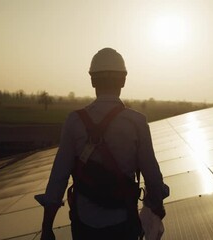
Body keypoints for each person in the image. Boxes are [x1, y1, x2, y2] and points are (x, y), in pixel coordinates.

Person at [36, 48, 169, 240]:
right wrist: (157, 208)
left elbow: (59, 176)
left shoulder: (74, 121)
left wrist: (47, 228)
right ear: (123, 80)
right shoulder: (137, 122)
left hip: (84, 226)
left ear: (92, 80)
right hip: (124, 225)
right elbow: (153, 177)